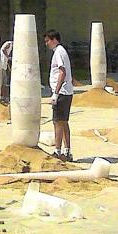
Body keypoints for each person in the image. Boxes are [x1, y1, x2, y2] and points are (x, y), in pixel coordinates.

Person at [44, 29, 73, 162]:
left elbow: (62, 72)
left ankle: (58, 151)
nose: (46, 43)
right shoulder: (61, 51)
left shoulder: (59, 52)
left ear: (54, 39)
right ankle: (67, 152)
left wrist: (56, 93)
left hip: (61, 92)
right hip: (66, 92)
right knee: (64, 122)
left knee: (57, 122)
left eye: (47, 41)